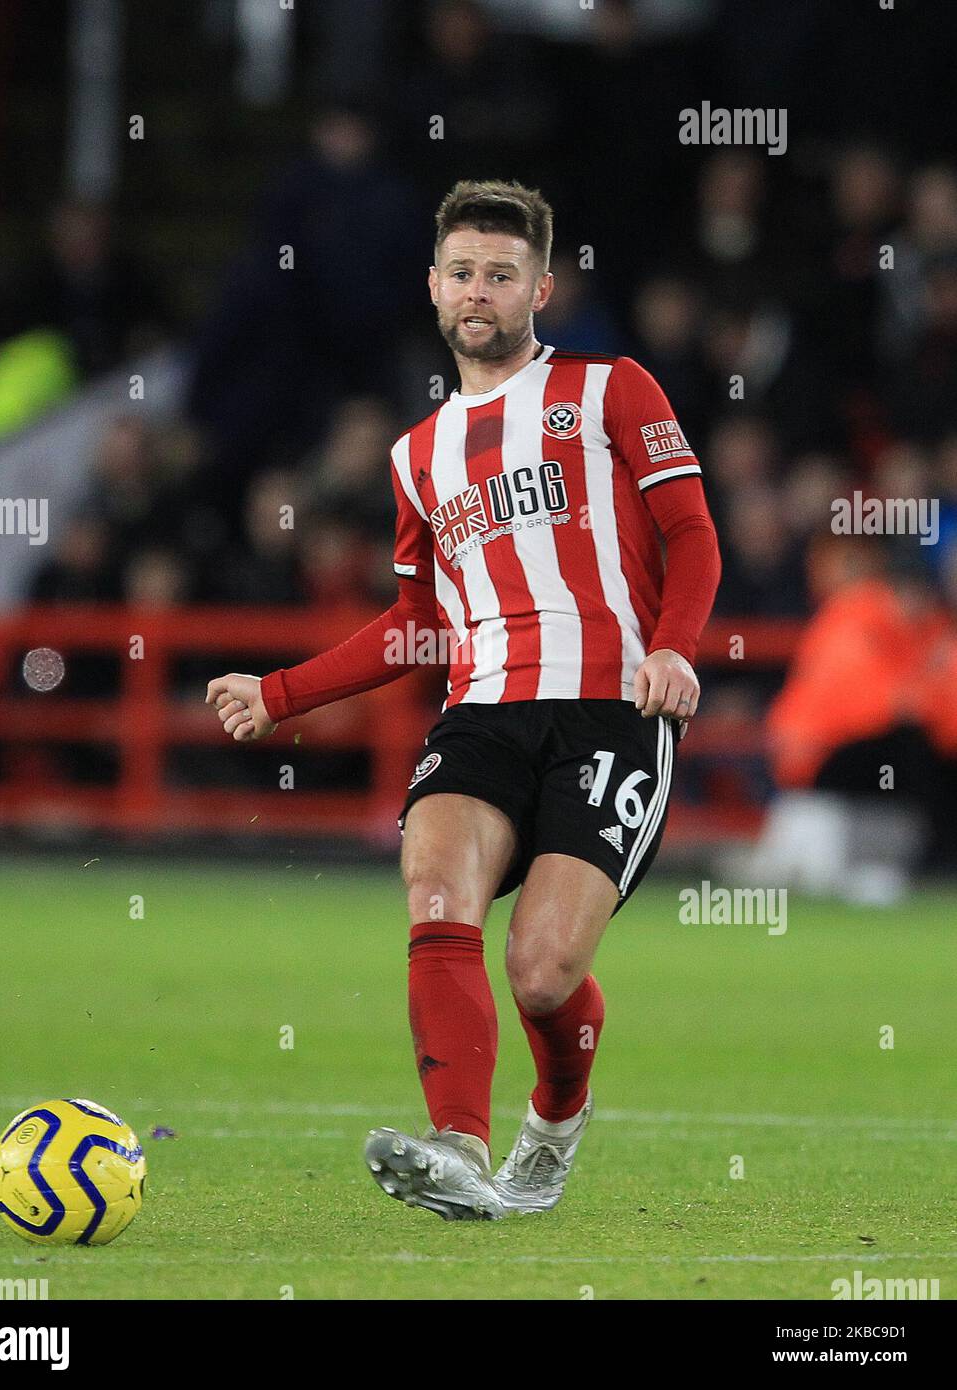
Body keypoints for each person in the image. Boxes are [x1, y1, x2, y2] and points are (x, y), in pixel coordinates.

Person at [206, 180, 721, 1220]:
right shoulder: (417, 455)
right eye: (462, 273)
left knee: (540, 971)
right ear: (432, 285)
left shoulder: (611, 388)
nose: (479, 291)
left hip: (610, 710)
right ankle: (457, 1147)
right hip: (482, 711)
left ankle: (556, 1118)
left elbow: (693, 534)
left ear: (540, 285)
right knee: (434, 891)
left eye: (500, 274)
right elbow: (416, 622)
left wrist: (672, 650)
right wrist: (282, 691)